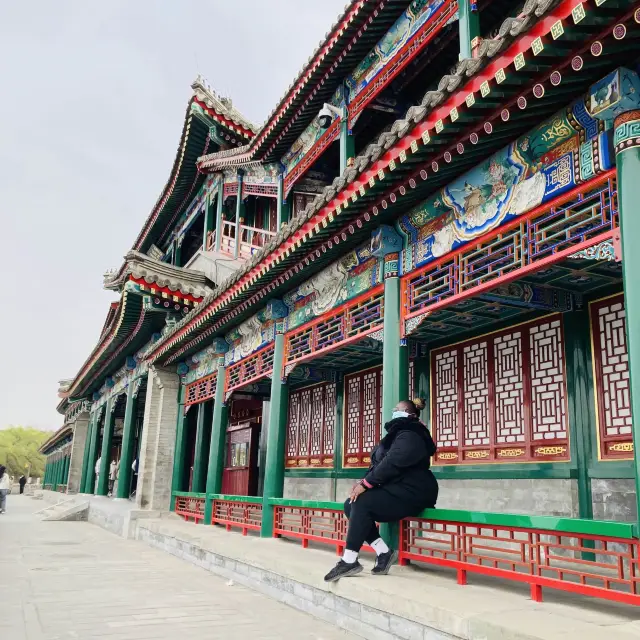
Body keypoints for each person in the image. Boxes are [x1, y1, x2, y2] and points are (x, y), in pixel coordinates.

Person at [324, 399, 438, 582]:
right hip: (396, 488)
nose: (394, 411)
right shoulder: (398, 433)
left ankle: (349, 560)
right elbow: (379, 464)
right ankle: (383, 552)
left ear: (409, 414)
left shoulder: (412, 434)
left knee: (362, 502)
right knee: (351, 504)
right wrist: (362, 483)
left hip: (414, 490)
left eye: (397, 409)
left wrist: (366, 485)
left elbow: (393, 462)